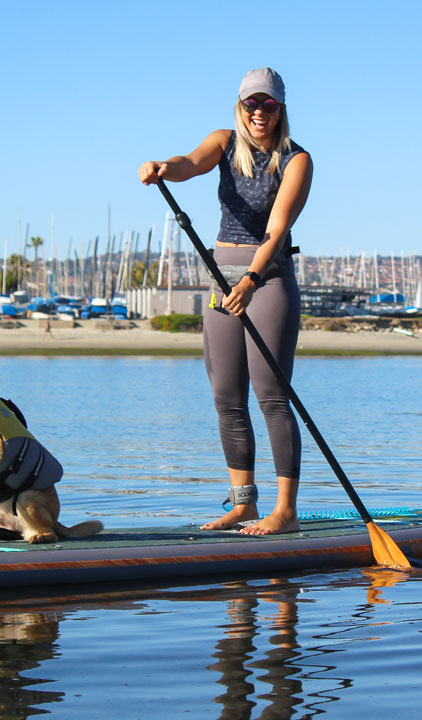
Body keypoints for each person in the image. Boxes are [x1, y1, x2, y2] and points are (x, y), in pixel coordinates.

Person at [138, 67, 313, 535]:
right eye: (252, 104)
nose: (259, 113)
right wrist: (162, 168)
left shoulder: (296, 160)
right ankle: (243, 504)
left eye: (268, 105)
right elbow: (189, 163)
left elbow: (277, 228)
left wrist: (253, 279)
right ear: (241, 107)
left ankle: (286, 513)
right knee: (226, 397)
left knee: (272, 396)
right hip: (220, 278)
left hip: (267, 278)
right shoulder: (224, 142)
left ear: (280, 109)